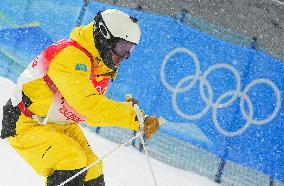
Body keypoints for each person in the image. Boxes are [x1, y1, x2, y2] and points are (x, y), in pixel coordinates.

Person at [0, 9, 160, 186]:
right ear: (104, 36)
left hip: (61, 124)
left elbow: (91, 102)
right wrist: (133, 117)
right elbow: (89, 106)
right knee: (71, 159)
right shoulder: (71, 56)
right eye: (122, 47)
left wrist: (127, 110)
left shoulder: (102, 64)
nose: (125, 56)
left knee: (93, 169)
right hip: (28, 123)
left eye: (130, 50)